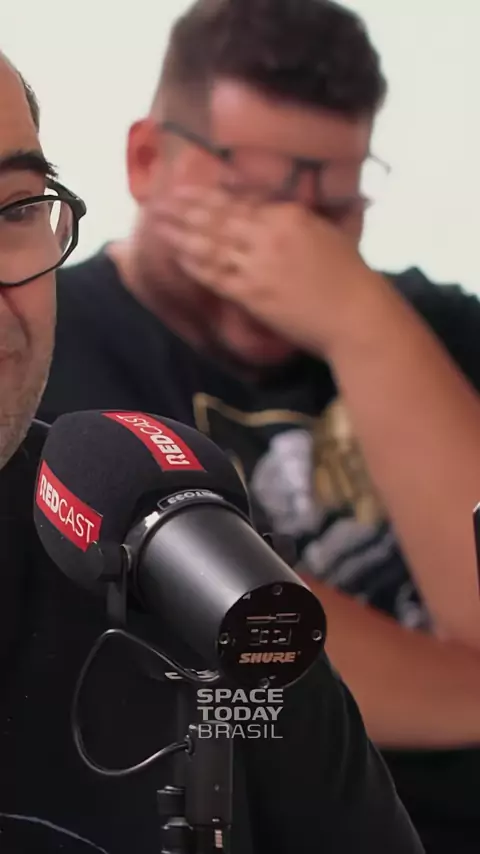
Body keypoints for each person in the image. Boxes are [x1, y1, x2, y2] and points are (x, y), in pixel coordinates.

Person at [38, 0, 480, 849]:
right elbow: (261, 641)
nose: (297, 245)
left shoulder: (427, 327)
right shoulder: (58, 354)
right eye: (253, 200)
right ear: (147, 160)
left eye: (337, 208)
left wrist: (362, 323)